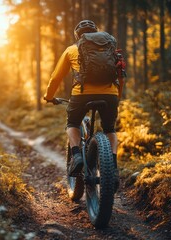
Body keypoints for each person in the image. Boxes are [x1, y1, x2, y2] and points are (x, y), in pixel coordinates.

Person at [43, 20, 124, 187]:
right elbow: (119, 75)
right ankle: (113, 167)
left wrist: (49, 96)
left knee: (72, 123)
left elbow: (56, 78)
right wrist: (116, 97)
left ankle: (77, 155)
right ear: (95, 33)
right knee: (110, 129)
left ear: (78, 36)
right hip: (110, 95)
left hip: (82, 95)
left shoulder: (71, 50)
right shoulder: (110, 49)